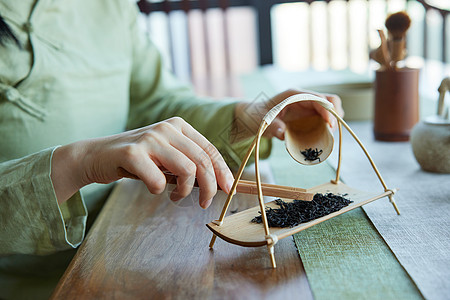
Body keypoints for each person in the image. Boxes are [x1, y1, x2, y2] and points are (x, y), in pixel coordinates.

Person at [0, 0, 343, 298]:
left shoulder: (109, 6)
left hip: (119, 248)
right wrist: (81, 162)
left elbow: (155, 102)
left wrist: (242, 120)